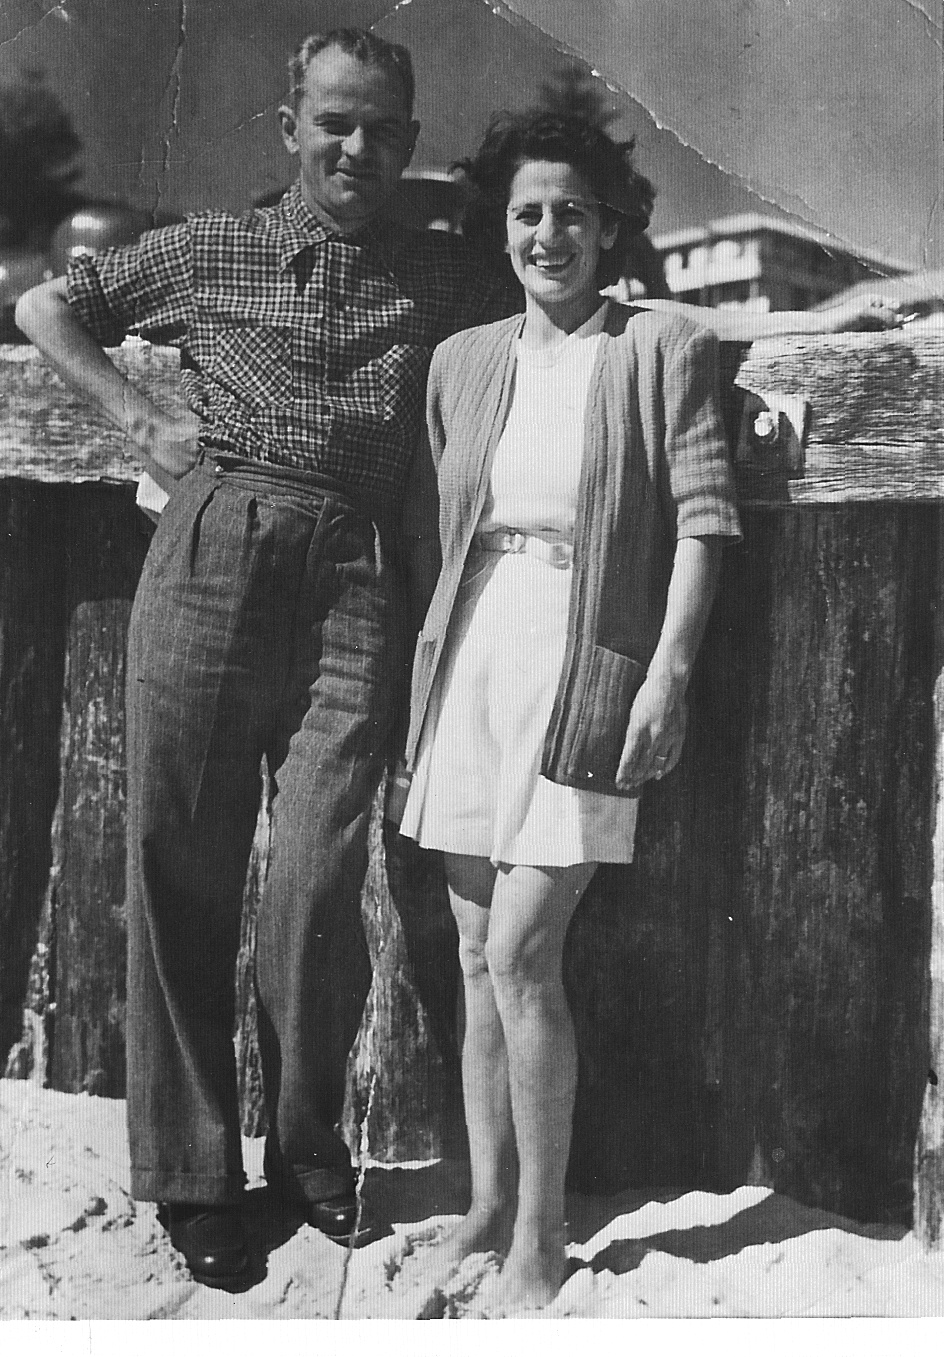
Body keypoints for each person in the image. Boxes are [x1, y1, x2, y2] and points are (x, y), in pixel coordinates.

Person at [14, 29, 514, 1291]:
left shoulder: (447, 276)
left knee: (317, 871)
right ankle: (191, 1172)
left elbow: (566, 311)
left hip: (359, 573)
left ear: (409, 141)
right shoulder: (209, 248)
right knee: (179, 850)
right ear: (290, 126)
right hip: (215, 540)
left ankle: (303, 1150)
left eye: (383, 128)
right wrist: (138, 416)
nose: (358, 147)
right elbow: (45, 308)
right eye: (335, 122)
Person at [396, 109, 744, 1314]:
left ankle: (541, 1238)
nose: (548, 233)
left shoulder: (659, 345)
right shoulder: (460, 360)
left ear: (608, 229)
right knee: (469, 954)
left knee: (521, 953)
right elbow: (442, 526)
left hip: (584, 661)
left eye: (571, 212)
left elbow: (702, 522)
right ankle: (488, 1204)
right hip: (470, 657)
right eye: (526, 212)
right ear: (500, 229)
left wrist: (666, 675)